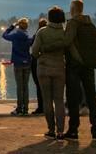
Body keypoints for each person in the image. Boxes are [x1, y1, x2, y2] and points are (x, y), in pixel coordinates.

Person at [63, 0, 96, 141]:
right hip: (89, 65)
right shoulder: (90, 24)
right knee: (92, 98)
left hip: (74, 66)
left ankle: (73, 130)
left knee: (73, 99)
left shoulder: (73, 23)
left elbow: (67, 42)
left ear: (73, 8)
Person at [31, 7, 67, 140]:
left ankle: (51, 129)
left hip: (44, 69)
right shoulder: (64, 33)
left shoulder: (42, 32)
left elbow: (34, 52)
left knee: (47, 100)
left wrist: (41, 54)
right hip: (59, 68)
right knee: (59, 100)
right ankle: (61, 131)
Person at [2, 17, 33, 116]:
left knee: (19, 87)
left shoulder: (15, 35)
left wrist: (11, 26)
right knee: (26, 87)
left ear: (19, 25)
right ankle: (26, 109)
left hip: (18, 63)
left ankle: (19, 108)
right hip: (27, 63)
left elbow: (4, 35)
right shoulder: (28, 36)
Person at [30, 17, 46, 115]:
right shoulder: (50, 35)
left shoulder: (36, 35)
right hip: (47, 62)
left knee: (39, 85)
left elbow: (33, 48)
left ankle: (41, 107)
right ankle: (48, 106)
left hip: (36, 62)